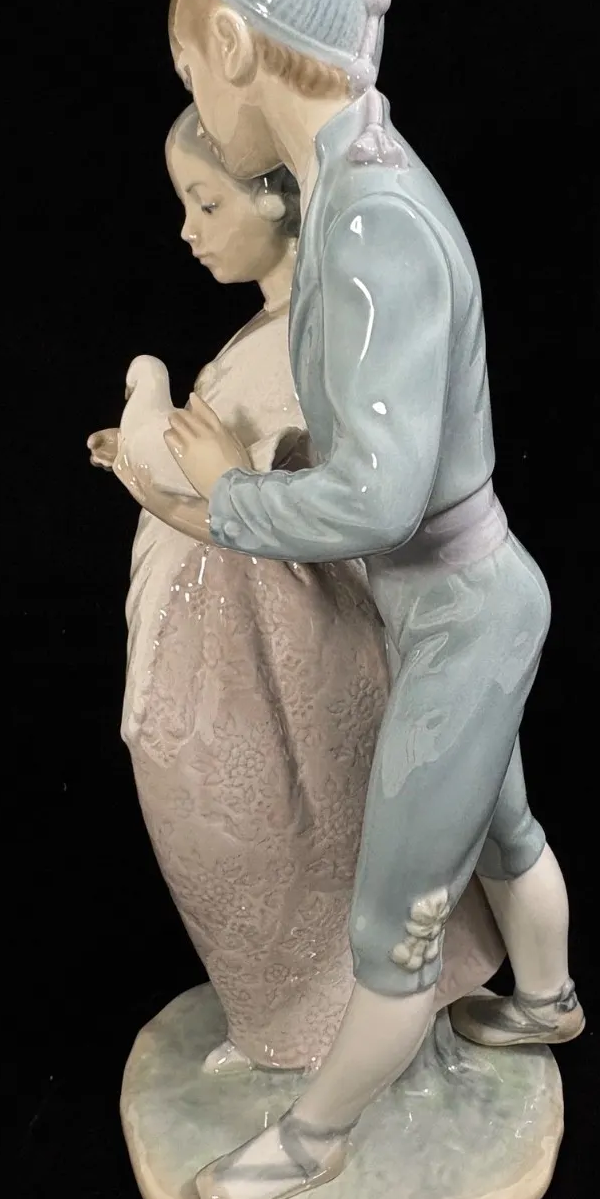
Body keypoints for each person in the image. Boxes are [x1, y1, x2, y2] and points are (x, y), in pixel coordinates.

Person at [155, 0, 584, 1199]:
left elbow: (381, 501)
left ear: (235, 47)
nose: (193, 98)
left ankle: (317, 1136)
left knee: (392, 923)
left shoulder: (367, 221)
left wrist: (225, 498)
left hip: (457, 612)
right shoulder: (353, 183)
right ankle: (550, 999)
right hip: (462, 603)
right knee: (502, 824)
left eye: (189, 68)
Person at [89, 106, 504, 1076]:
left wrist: (180, 473)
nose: (187, 231)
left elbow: (308, 502)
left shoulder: (313, 346)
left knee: (287, 821)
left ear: (278, 201)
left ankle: (349, 1035)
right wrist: (146, 466)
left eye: (206, 203)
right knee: (234, 821)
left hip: (281, 636)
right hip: (227, 624)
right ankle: (280, 1023)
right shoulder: (273, 331)